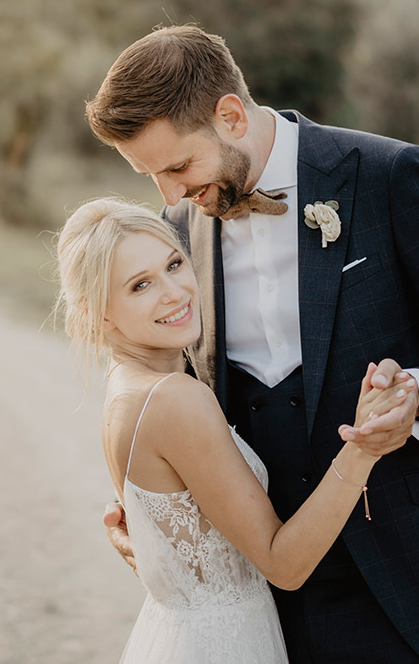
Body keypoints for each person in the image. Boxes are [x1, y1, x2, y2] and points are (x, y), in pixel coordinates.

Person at [86, 25, 419, 661]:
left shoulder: (387, 176)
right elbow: (171, 401)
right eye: (150, 174)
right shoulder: (177, 227)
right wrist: (159, 518)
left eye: (179, 166)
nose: (171, 196)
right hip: (260, 590)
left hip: (399, 567)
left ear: (231, 115)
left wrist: (414, 400)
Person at [55, 197, 414, 663]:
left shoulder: (124, 388)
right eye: (140, 285)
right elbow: (283, 565)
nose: (175, 292)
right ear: (97, 316)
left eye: (174, 263)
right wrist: (364, 445)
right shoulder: (174, 399)